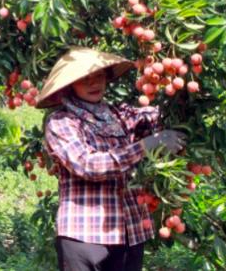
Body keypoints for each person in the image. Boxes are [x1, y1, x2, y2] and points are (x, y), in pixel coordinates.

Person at [36, 47, 186, 271]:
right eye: (84, 79)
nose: (93, 83)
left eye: (98, 75)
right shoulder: (62, 122)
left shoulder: (120, 115)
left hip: (129, 233)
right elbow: (87, 164)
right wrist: (145, 145)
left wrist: (181, 84)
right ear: (70, 85)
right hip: (84, 235)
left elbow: (158, 116)